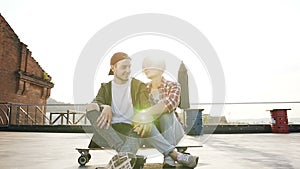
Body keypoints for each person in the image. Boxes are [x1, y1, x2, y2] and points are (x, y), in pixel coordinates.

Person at [86, 52, 198, 168]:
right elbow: (93, 104)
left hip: (140, 128)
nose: (128, 70)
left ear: (160, 68)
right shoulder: (106, 87)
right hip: (119, 129)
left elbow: (161, 105)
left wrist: (145, 115)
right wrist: (104, 106)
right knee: (91, 111)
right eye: (124, 67)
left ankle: (165, 158)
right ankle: (173, 155)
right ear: (113, 68)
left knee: (163, 115)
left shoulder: (142, 85)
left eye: (129, 67)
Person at [136, 55, 198, 168]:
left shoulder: (173, 86)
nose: (145, 69)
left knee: (165, 113)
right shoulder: (143, 88)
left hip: (173, 130)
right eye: (144, 67)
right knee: (147, 121)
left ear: (161, 68)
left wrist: (146, 113)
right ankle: (173, 158)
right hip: (151, 132)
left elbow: (170, 104)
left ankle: (169, 157)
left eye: (149, 65)